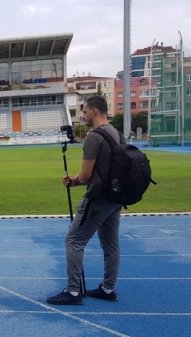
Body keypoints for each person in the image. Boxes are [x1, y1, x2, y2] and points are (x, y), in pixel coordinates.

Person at [47, 95, 123, 305]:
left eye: (85, 111)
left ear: (94, 112)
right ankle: (109, 288)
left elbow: (86, 176)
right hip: (116, 197)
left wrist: (73, 180)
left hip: (98, 198)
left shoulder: (94, 137)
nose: (83, 115)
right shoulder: (117, 133)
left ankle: (73, 292)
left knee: (73, 240)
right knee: (111, 245)